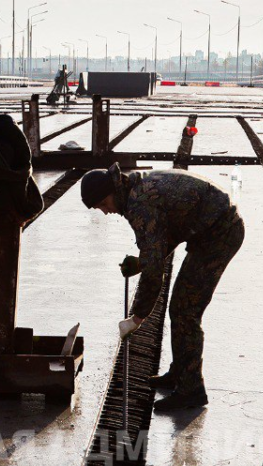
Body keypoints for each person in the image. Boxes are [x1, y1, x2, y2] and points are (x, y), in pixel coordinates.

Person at [81, 165, 245, 411]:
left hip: (220, 233)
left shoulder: (140, 205)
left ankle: (191, 391)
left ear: (112, 191)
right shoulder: (135, 189)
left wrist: (137, 318)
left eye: (103, 204)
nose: (106, 212)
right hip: (207, 228)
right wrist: (142, 262)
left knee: (184, 310)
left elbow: (154, 273)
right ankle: (180, 373)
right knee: (181, 307)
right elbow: (164, 235)